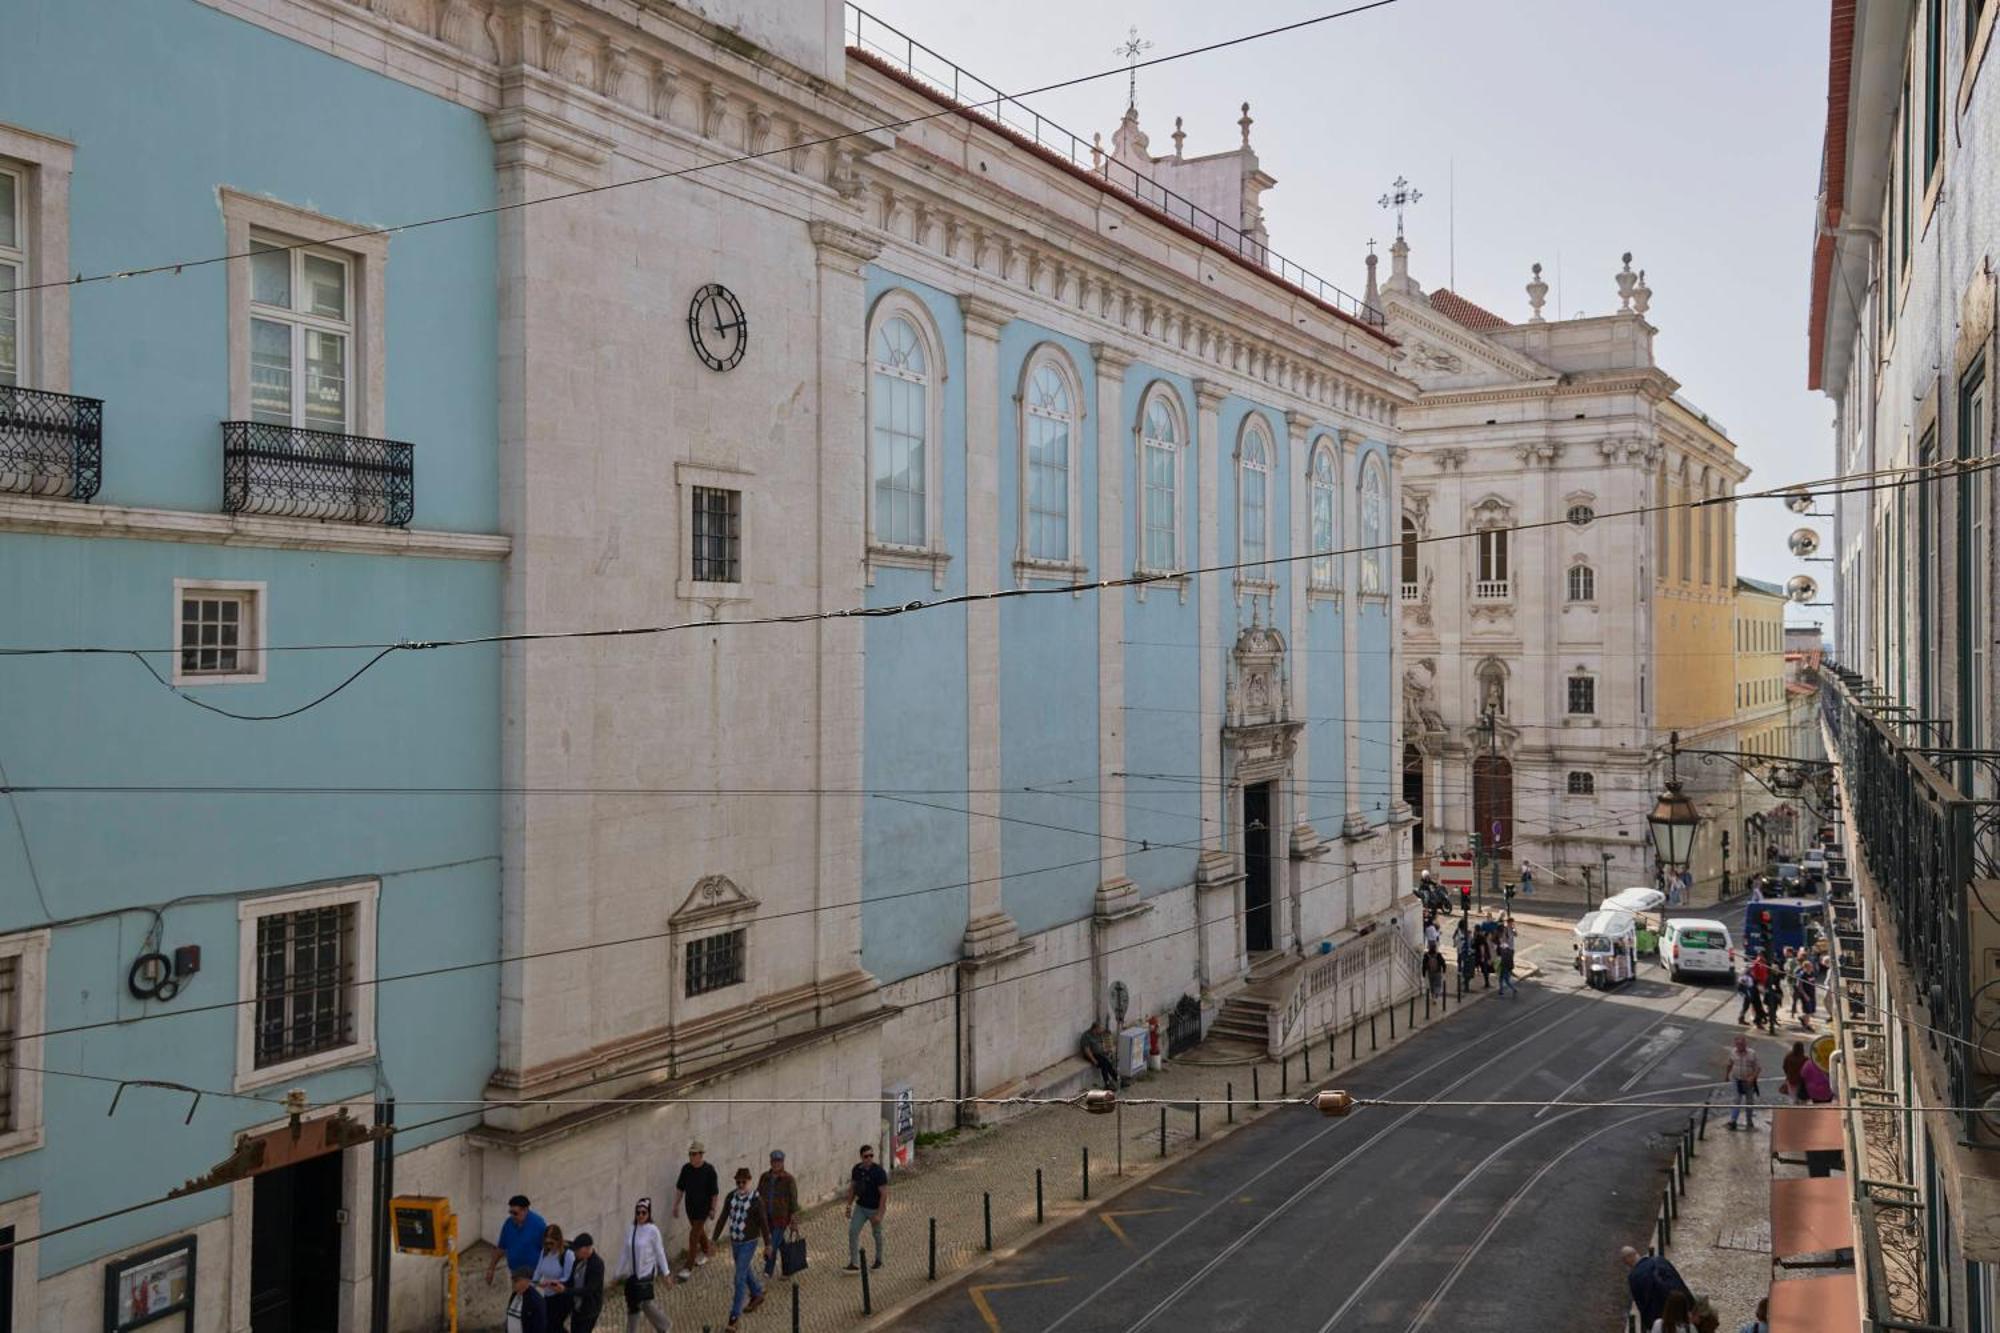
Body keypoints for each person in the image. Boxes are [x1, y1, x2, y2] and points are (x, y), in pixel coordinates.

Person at [712, 1166, 770, 1328]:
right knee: (744, 1270)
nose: (741, 1184)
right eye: (738, 1182)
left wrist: (768, 1245)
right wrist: (714, 1240)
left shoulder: (756, 1200)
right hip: (735, 1242)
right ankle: (757, 1293)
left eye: (743, 1181)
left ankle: (734, 1317)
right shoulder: (731, 1197)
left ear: (749, 1181)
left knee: (739, 1278)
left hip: (749, 1242)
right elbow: (723, 1217)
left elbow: (764, 1224)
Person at [613, 1197, 675, 1333]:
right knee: (637, 1304)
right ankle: (662, 1326)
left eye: (644, 1212)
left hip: (646, 1273)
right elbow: (625, 1252)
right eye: (638, 1212)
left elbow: (660, 1253)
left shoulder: (653, 1230)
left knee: (643, 1303)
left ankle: (664, 1325)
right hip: (633, 1275)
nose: (640, 1215)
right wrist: (617, 1273)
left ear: (648, 1214)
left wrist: (666, 1274)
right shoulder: (631, 1229)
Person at [673, 1141, 719, 1277]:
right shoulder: (686, 1169)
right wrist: (676, 1205)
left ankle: (688, 1267)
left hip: (703, 1209)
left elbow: (714, 1192)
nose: (691, 1157)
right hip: (690, 1208)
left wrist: (712, 1208)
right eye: (690, 1154)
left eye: (694, 1154)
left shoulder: (709, 1170)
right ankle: (707, 1251)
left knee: (693, 1236)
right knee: (698, 1232)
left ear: (701, 1155)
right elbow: (680, 1189)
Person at [1621, 1246, 1692, 1332]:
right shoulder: (1661, 1260)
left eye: (1624, 1261)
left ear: (1628, 1259)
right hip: (1682, 1311)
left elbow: (1642, 1305)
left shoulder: (1634, 1277)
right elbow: (1678, 1280)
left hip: (1659, 1319)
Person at [844, 1143, 889, 1273]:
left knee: (877, 1234)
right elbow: (852, 1188)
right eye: (866, 1156)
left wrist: (879, 1214)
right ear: (861, 1157)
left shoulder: (879, 1172)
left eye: (871, 1155)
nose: (869, 1158)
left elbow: (884, 1194)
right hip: (861, 1207)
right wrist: (848, 1205)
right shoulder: (857, 1170)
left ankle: (879, 1261)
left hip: (875, 1208)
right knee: (853, 1231)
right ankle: (854, 1263)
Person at [489, 1195, 550, 1288]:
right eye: (511, 1212)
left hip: (532, 1274)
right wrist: (491, 1268)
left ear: (525, 1210)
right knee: (517, 1300)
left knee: (530, 1300)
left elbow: (547, 1249)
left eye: (515, 1213)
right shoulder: (508, 1223)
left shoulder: (539, 1224)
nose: (512, 1216)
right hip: (515, 1273)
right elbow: (501, 1248)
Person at [756, 1150, 799, 1278]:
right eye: (774, 1161)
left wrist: (793, 1219)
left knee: (772, 1243)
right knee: (782, 1244)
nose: (776, 1164)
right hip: (767, 1217)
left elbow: (793, 1201)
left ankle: (768, 1270)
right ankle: (788, 1270)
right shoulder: (764, 1177)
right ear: (770, 1162)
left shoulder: (788, 1179)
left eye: (779, 1161)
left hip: (781, 1218)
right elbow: (758, 1195)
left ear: (783, 1162)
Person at [533, 1224, 574, 1331]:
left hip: (561, 1298)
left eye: (551, 1243)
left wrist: (552, 1282)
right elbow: (538, 1271)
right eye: (546, 1243)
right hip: (547, 1296)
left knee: (552, 1326)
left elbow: (568, 1278)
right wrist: (535, 1282)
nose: (548, 1246)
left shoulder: (567, 1255)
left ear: (558, 1241)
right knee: (551, 1326)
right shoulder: (544, 1252)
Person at [567, 1233, 607, 1333]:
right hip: (577, 1307)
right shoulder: (578, 1260)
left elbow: (588, 1290)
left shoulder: (596, 1265)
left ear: (586, 1249)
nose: (575, 1253)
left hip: (589, 1310)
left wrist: (565, 1290)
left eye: (577, 1250)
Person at [1724, 1036, 1762, 1130]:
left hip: (1748, 1082)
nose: (1739, 1046)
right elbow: (1729, 1064)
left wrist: (1752, 1077)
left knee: (1749, 1101)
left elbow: (1758, 1068)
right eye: (1738, 1044)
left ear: (1745, 1044)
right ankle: (1733, 1120)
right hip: (1737, 1080)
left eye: (1741, 1044)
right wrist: (1726, 1075)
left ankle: (1749, 1121)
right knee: (1736, 1100)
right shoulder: (1733, 1052)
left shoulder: (1752, 1054)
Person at [507, 1267, 550, 1333]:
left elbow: (539, 1328)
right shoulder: (514, 1295)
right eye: (512, 1279)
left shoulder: (536, 1301)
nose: (513, 1283)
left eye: (516, 1280)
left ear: (527, 1281)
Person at [1081, 1021, 1121, 1091]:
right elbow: (1087, 1050)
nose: (1101, 1030)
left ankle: (1117, 1079)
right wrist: (1093, 1060)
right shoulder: (1086, 1036)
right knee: (1104, 1063)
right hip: (1091, 1055)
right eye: (1099, 1029)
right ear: (1095, 1029)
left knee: (1107, 1062)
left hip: (1100, 1054)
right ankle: (1108, 1083)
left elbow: (1106, 1038)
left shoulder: (1098, 1034)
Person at [1497, 933, 1518, 998]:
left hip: (1504, 966)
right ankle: (1504, 990)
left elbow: (1503, 959)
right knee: (1504, 979)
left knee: (1504, 980)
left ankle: (1504, 990)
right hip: (1507, 967)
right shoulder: (1508, 950)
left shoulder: (1504, 950)